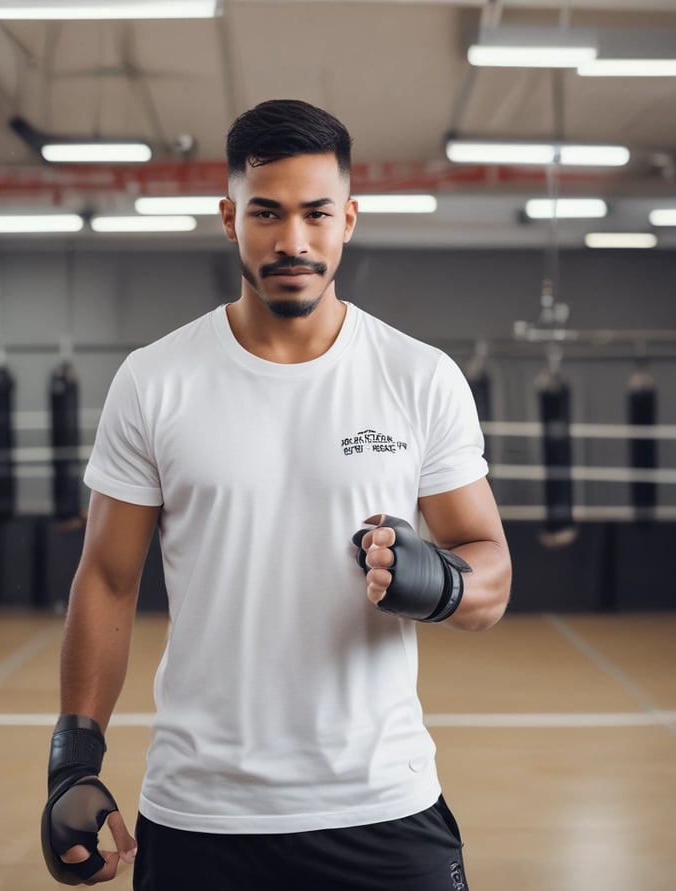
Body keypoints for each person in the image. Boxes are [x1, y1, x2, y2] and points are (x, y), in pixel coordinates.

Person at [40, 98, 512, 891]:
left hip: (383, 804)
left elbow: (491, 569)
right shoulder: (155, 380)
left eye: (316, 213)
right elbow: (109, 577)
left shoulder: (418, 376)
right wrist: (72, 761)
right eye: (267, 212)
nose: (293, 239)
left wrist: (444, 581)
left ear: (349, 218)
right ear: (230, 217)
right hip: (201, 813)